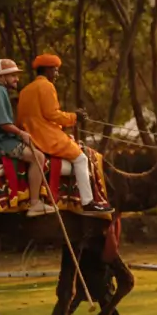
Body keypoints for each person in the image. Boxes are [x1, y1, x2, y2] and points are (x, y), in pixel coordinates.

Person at [16, 53, 109, 215]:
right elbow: (52, 114)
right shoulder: (46, 86)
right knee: (81, 159)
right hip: (46, 137)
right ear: (46, 70)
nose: (57, 74)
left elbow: (35, 116)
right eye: (55, 70)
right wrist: (75, 117)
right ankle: (88, 202)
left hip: (30, 136)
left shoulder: (25, 90)